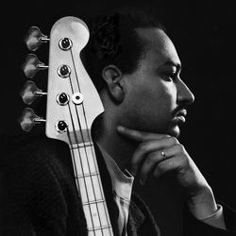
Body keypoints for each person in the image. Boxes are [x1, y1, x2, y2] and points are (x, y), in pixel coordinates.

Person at [0, 7, 235, 236]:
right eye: (169, 75)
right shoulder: (31, 172)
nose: (188, 95)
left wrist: (202, 200)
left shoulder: (136, 213)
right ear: (115, 81)